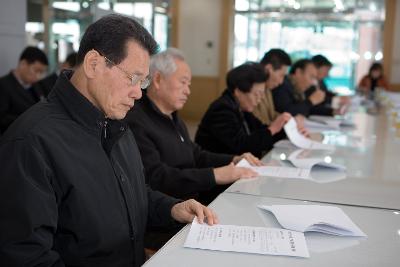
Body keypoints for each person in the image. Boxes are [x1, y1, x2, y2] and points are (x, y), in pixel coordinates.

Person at [0, 14, 217, 267]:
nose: (138, 92)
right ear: (93, 64)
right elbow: (26, 256)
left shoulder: (114, 124)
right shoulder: (31, 142)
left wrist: (172, 208)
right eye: (132, 78)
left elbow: (129, 194)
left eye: (143, 81)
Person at [126, 48, 259, 203]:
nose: (188, 91)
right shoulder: (137, 120)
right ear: (157, 80)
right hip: (169, 211)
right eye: (183, 82)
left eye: (189, 84)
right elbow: (156, 177)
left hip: (192, 200)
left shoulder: (173, 116)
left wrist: (234, 159)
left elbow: (196, 155)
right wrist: (214, 175)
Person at [195, 62, 289, 158]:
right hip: (217, 168)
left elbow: (261, 131)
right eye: (257, 94)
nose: (260, 99)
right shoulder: (222, 109)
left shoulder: (241, 107)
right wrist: (273, 129)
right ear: (238, 91)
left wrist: (287, 128)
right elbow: (242, 145)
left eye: (262, 94)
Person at [252, 49, 307, 135]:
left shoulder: (267, 89)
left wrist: (291, 120)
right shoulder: (252, 90)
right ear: (268, 69)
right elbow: (260, 123)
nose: (281, 82)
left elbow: (271, 115)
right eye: (281, 75)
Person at [0, 46, 48, 133]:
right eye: (36, 71)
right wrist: (29, 118)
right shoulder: (3, 85)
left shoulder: (38, 86)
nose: (38, 76)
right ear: (23, 64)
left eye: (41, 73)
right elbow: (2, 118)